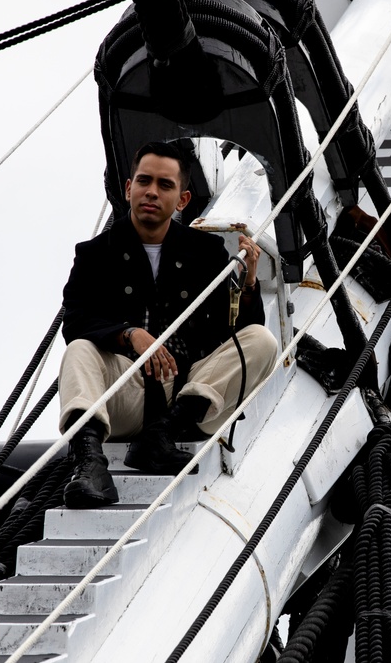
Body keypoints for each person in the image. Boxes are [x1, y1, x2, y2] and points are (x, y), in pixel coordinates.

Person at [58, 141, 278, 509]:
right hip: (128, 392)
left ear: (182, 199)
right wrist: (130, 335)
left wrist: (250, 283)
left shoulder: (205, 252)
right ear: (129, 189)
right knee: (79, 349)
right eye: (144, 181)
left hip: (185, 393)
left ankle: (162, 437)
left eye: (164, 185)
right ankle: (89, 462)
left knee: (263, 342)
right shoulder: (95, 254)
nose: (151, 192)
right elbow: (76, 319)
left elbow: (236, 333)